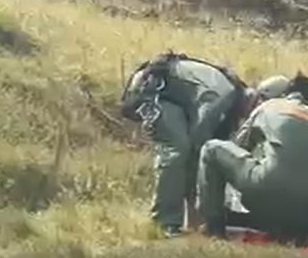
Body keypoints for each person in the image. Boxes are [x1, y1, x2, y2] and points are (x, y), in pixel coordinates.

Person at [120, 51, 291, 238]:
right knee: (178, 150)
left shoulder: (231, 103)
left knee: (190, 153)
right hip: (150, 90)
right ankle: (165, 223)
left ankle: (191, 223)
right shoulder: (222, 97)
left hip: (173, 97)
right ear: (260, 100)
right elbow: (200, 144)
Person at [197, 73, 308, 245]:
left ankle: (214, 229)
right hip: (301, 209)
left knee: (211, 149)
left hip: (263, 190)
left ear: (285, 93)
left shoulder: (269, 107)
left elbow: (238, 146)